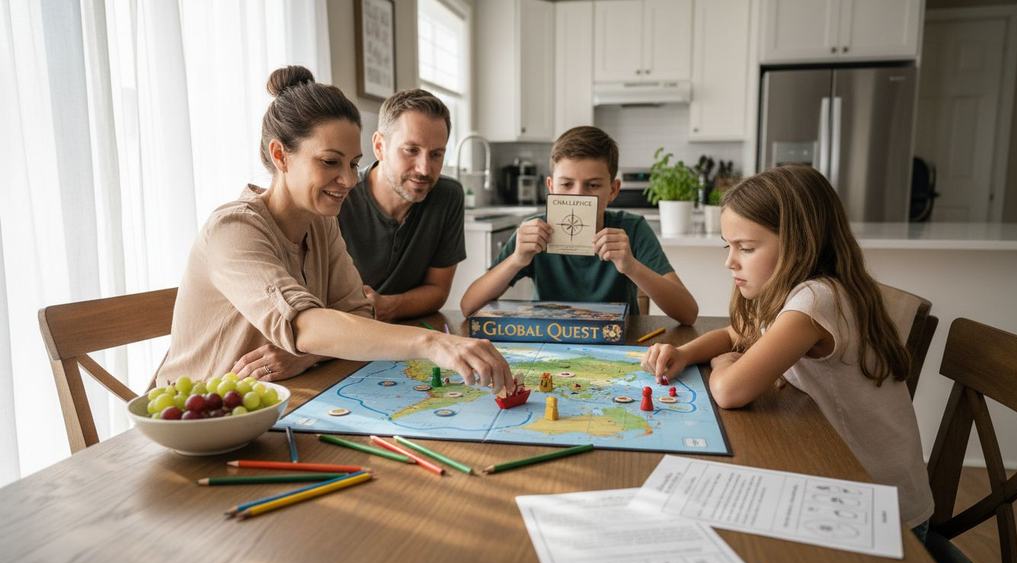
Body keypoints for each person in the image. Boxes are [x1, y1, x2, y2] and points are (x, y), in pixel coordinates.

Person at [157, 66, 510, 393]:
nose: (347, 179)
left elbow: (357, 312)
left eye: (353, 164)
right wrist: (431, 343)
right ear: (280, 156)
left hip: (269, 406)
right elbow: (303, 326)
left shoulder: (322, 224)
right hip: (193, 418)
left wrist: (309, 354)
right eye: (330, 162)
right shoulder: (232, 229)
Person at [641, 165, 933, 539]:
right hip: (847, 482)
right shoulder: (805, 291)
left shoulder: (817, 300)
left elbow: (730, 390)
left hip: (881, 512)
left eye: (745, 248)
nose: (730, 261)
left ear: (798, 243)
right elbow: (738, 331)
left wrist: (726, 361)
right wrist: (685, 353)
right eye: (728, 247)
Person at [460, 126, 698, 324]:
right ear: (551, 187)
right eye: (567, 185)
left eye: (593, 185)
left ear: (613, 190)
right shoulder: (533, 231)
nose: (579, 195)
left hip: (618, 347)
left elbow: (688, 313)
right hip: (548, 342)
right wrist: (516, 260)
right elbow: (468, 305)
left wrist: (632, 267)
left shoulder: (632, 229)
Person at [337, 89, 464, 322]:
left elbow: (438, 290)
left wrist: (386, 306)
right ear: (379, 146)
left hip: (409, 332)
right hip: (341, 334)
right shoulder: (339, 197)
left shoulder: (448, 196)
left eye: (436, 154)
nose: (425, 169)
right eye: (411, 150)